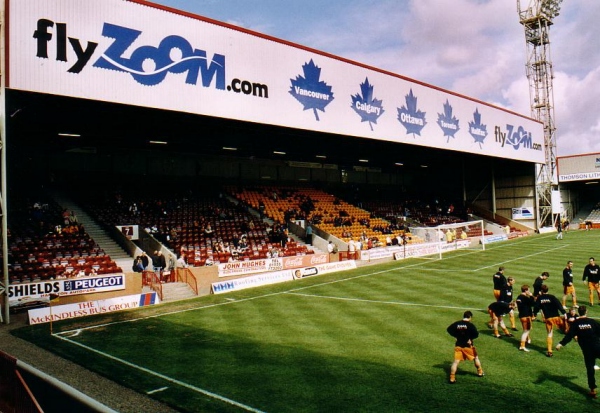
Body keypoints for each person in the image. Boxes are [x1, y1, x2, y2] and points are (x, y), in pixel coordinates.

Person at [556, 305, 600, 398]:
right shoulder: (592, 322)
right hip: (597, 347)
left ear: (578, 312)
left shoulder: (576, 323)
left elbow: (569, 335)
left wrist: (561, 344)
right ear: (586, 312)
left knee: (590, 369)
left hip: (587, 350)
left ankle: (592, 390)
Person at [446, 310, 484, 384]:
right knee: (476, 358)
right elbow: (476, 334)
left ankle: (452, 377)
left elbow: (449, 329)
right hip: (468, 346)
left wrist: (456, 336)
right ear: (469, 317)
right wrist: (470, 338)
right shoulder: (470, 325)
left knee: (456, 361)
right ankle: (480, 372)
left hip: (458, 345)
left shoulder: (457, 324)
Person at [534, 284, 567, 357]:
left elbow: (536, 307)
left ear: (541, 291)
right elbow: (559, 305)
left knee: (549, 334)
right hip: (556, 317)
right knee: (566, 330)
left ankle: (549, 351)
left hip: (548, 319)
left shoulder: (540, 298)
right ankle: (575, 337)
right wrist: (564, 313)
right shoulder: (552, 297)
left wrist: (534, 314)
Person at [515, 284, 536, 352]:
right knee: (526, 331)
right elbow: (533, 303)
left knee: (525, 330)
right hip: (526, 316)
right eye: (528, 290)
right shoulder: (525, 298)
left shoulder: (519, 297)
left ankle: (526, 341)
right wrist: (531, 296)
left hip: (521, 315)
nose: (529, 291)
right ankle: (522, 346)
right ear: (526, 290)